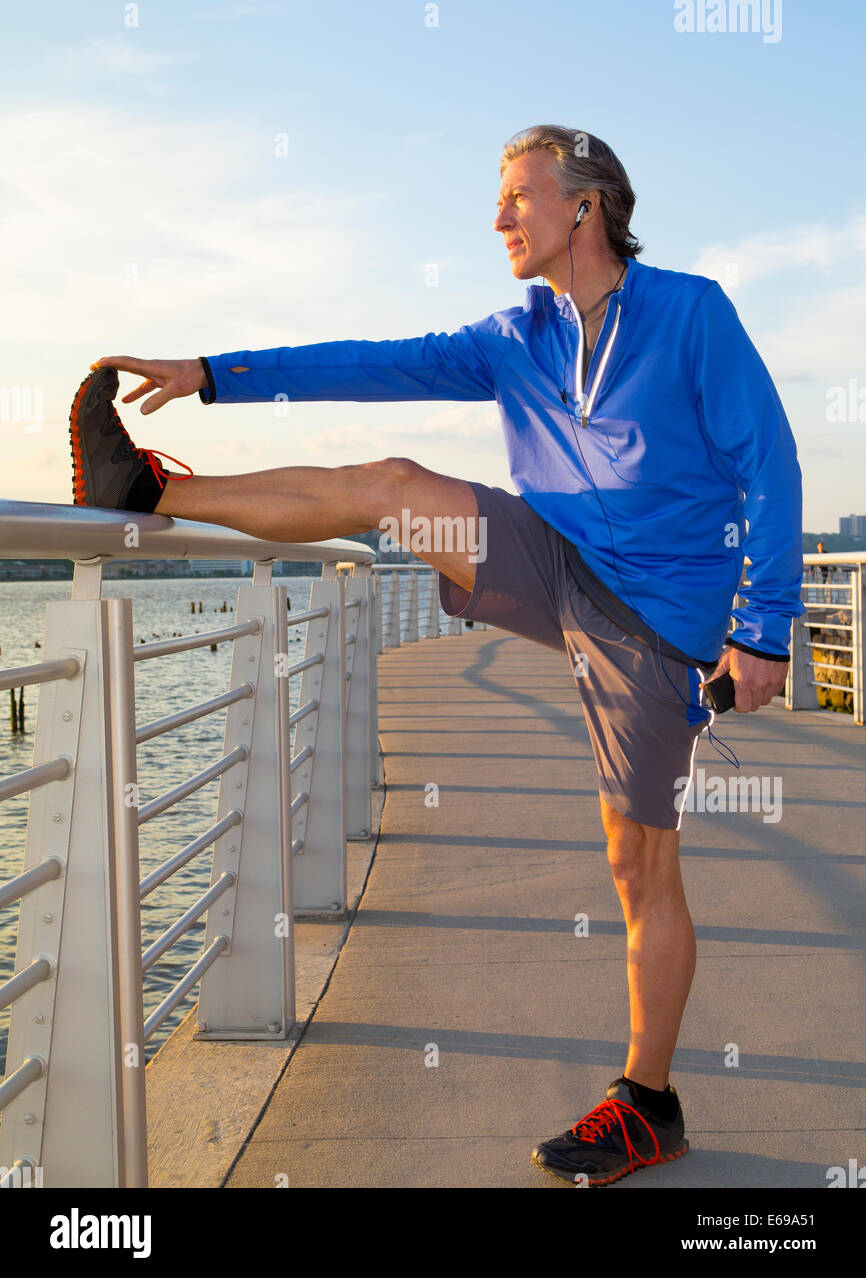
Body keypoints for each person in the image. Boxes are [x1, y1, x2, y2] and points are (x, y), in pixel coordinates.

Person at [69, 124, 804, 1187]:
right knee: (392, 482)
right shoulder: (515, 335)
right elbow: (370, 364)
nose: (497, 218)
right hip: (547, 559)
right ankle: (151, 490)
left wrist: (761, 628)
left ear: (584, 206)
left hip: (648, 622)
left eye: (516, 196)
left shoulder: (689, 314)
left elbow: (768, 458)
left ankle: (649, 1103)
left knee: (637, 863)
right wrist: (206, 374)